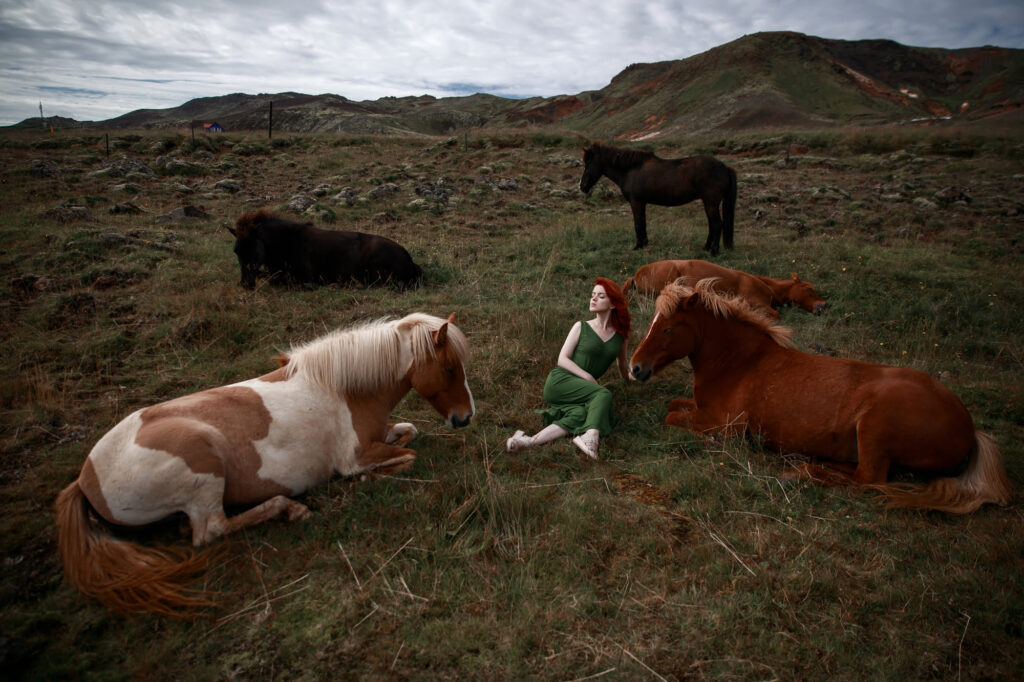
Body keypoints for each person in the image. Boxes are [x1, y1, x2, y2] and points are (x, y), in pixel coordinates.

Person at [506, 277, 633, 460]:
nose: (593, 299)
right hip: (561, 381)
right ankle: (591, 437)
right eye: (593, 295)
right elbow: (562, 359)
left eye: (601, 296)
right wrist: (587, 377)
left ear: (613, 304)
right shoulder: (581, 326)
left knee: (581, 414)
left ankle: (527, 441)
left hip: (583, 390)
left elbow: (622, 363)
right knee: (603, 394)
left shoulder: (620, 336)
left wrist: (629, 380)